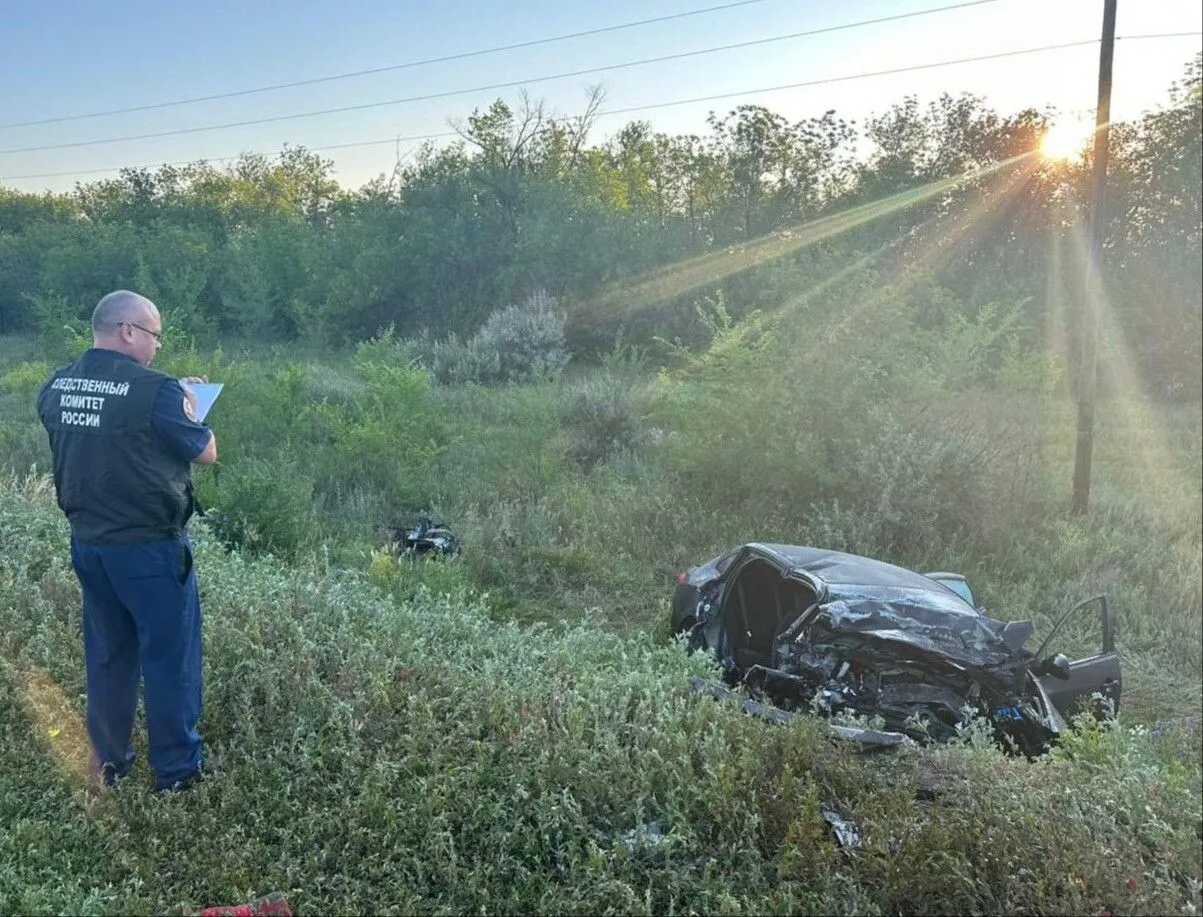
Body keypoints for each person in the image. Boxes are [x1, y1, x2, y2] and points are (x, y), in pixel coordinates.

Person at [37, 289, 217, 792]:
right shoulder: (156, 392)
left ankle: (109, 763)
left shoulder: (57, 385)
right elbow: (205, 451)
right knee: (169, 657)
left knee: (110, 655)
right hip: (149, 550)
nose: (158, 347)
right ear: (128, 332)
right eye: (155, 335)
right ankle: (178, 771)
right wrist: (187, 407)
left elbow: (105, 424)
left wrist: (170, 399)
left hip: (89, 545)